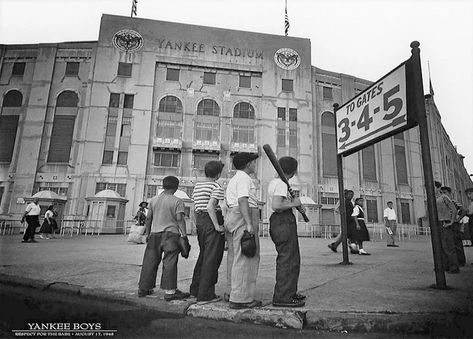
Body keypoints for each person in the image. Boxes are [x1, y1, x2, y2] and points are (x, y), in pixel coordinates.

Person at [138, 176, 190, 300]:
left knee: (149, 261)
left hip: (154, 234)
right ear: (176, 187)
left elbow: (149, 218)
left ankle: (143, 288)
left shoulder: (154, 200)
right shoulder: (177, 201)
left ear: (163, 185)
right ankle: (170, 292)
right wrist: (184, 235)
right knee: (170, 262)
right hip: (171, 235)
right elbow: (179, 219)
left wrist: (148, 234)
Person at [225, 152, 261, 309]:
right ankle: (241, 298)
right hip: (243, 216)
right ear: (248, 164)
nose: (255, 165)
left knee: (237, 256)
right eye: (253, 162)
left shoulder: (236, 178)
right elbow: (242, 200)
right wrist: (249, 224)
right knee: (246, 257)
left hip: (235, 215)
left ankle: (236, 293)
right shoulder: (244, 179)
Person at [268, 156, 306, 307]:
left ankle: (289, 292)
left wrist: (293, 203)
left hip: (280, 222)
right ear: (294, 170)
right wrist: (294, 203)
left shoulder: (275, 182)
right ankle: (283, 297)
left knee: (290, 259)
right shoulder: (282, 184)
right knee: (288, 260)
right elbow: (277, 205)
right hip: (283, 221)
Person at [189, 160, 226, 303]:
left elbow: (193, 207)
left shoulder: (198, 186)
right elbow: (211, 207)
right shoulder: (216, 186)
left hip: (200, 222)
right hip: (211, 221)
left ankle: (195, 290)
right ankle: (205, 295)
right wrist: (217, 226)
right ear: (217, 174)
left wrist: (195, 224)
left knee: (204, 255)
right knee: (212, 258)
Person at [434, 181, 459, 273]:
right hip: (438, 224)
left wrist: (451, 221)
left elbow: (454, 208)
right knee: (441, 246)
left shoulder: (444, 197)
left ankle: (454, 267)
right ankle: (446, 266)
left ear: (438, 188)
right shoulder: (434, 198)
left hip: (445, 222)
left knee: (448, 246)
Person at [441, 187, 468, 266]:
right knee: (451, 244)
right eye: (442, 193)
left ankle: (461, 261)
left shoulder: (453, 201)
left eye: (445, 192)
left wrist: (458, 218)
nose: (443, 194)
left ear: (449, 193)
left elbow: (464, 210)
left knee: (457, 243)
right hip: (450, 223)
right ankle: (455, 261)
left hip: (455, 225)